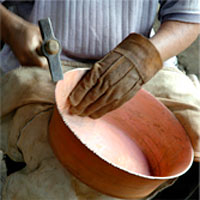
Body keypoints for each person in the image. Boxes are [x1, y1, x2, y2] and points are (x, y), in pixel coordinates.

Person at [0, 0, 200, 199]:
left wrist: (144, 57)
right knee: (63, 173)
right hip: (47, 62)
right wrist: (11, 29)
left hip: (143, 62)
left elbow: (188, 14)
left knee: (196, 140)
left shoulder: (144, 58)